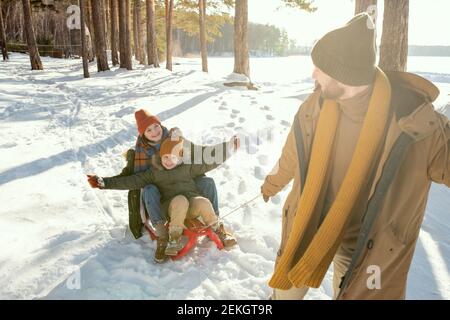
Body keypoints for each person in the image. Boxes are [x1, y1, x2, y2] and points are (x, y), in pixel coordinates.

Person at [261, 13, 449, 299]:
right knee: (283, 295)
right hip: (309, 225)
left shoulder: (418, 126)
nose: (313, 74)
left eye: (320, 68)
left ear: (343, 74)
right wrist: (271, 183)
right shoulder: (314, 109)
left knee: (348, 292)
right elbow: (290, 156)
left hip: (364, 245)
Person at [88, 109, 220, 263]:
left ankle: (215, 221)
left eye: (156, 126)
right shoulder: (141, 153)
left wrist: (227, 148)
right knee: (150, 189)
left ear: (160, 124)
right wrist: (105, 183)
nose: (154, 131)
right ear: (142, 133)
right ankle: (162, 234)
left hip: (184, 184)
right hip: (161, 194)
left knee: (207, 182)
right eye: (148, 130)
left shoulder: (174, 138)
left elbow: (199, 155)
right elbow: (131, 179)